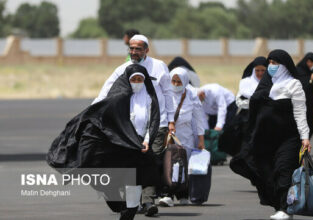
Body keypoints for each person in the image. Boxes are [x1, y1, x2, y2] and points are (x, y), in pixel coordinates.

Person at [47, 64, 160, 220]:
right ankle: (111, 195)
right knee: (107, 179)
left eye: (141, 79)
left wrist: (148, 140)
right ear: (127, 80)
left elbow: (153, 122)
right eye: (134, 79)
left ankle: (129, 212)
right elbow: (98, 118)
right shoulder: (116, 98)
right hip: (117, 146)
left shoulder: (149, 98)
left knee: (135, 182)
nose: (137, 82)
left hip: (138, 147)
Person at [92, 34, 175, 217]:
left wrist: (170, 120)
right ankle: (132, 201)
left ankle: (147, 201)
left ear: (146, 50)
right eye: (131, 48)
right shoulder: (122, 69)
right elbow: (105, 92)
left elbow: (168, 93)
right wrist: (91, 113)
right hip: (129, 128)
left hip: (157, 122)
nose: (134, 52)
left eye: (138, 48)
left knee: (151, 159)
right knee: (131, 164)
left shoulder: (159, 66)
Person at [245, 49, 311, 220]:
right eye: (270, 63)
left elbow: (300, 113)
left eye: (275, 63)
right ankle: (278, 205)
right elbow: (255, 106)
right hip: (266, 138)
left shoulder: (294, 85)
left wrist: (305, 138)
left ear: (285, 66)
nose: (271, 67)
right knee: (268, 173)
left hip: (288, 137)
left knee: (284, 169)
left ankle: (286, 209)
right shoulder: (267, 84)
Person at [158, 67, 205, 207]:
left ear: (185, 81)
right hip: (168, 135)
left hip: (186, 136)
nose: (176, 84)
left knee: (184, 165)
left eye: (179, 82)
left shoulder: (191, 93)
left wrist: (201, 139)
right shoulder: (164, 92)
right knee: (168, 165)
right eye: (173, 81)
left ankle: (183, 194)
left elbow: (199, 118)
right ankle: (168, 195)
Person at [227, 57, 267, 181]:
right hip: (249, 121)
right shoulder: (246, 83)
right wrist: (255, 102)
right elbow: (240, 101)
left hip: (266, 121)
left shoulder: (272, 82)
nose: (260, 74)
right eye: (257, 71)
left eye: (263, 71)